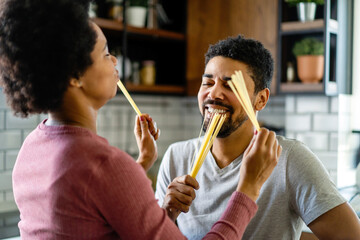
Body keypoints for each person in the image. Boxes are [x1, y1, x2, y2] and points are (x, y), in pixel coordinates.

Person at [0, 0, 281, 239]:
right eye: (105, 54)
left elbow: (91, 215)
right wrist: (249, 188)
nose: (115, 63)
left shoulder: (32, 147)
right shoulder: (105, 166)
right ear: (75, 76)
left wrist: (141, 165)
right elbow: (100, 178)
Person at [155, 35, 360, 239]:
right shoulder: (176, 157)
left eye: (230, 86)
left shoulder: (289, 160)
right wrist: (167, 214)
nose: (214, 93)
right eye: (207, 83)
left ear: (261, 100)